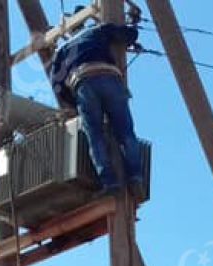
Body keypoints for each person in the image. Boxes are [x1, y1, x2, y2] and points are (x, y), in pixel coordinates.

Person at [48, 20, 145, 199]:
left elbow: (57, 84)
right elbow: (128, 35)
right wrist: (132, 29)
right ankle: (136, 178)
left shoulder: (62, 49)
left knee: (95, 137)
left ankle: (110, 183)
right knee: (126, 133)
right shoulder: (97, 30)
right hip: (110, 77)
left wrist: (74, 102)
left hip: (83, 83)